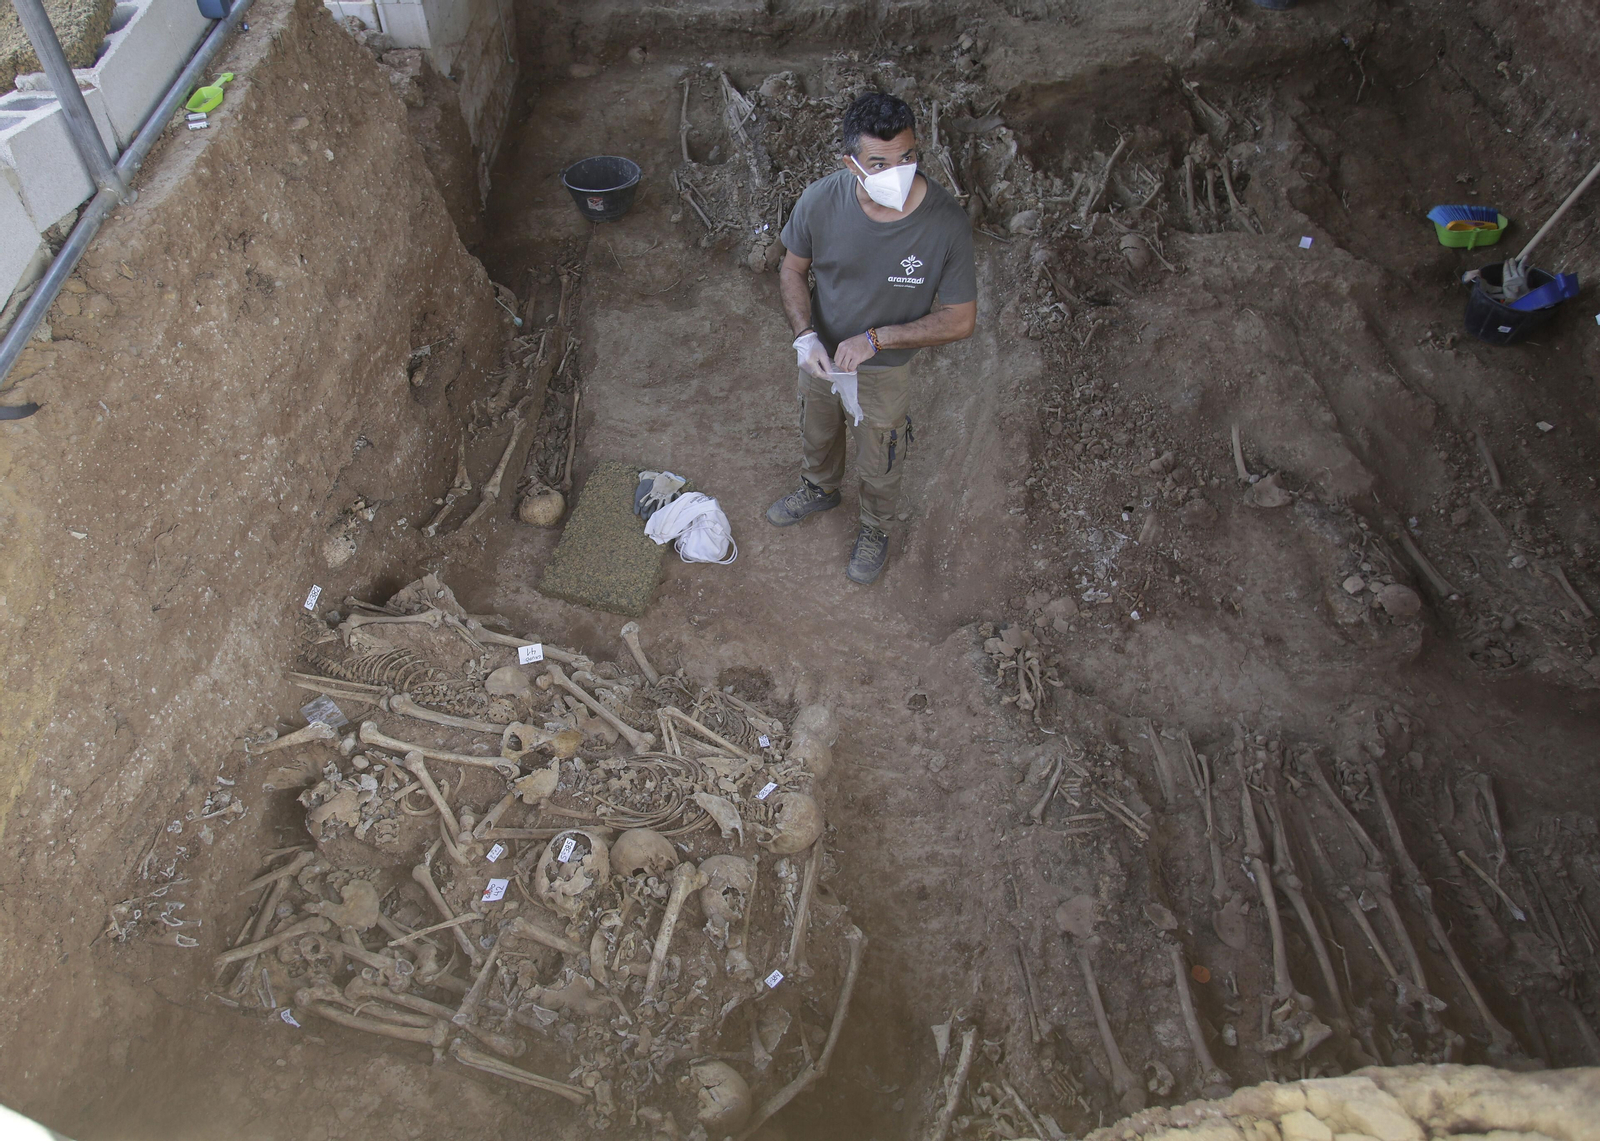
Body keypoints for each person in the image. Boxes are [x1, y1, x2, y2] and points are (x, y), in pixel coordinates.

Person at [767, 92, 977, 585]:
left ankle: (876, 526)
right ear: (851, 163)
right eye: (879, 163)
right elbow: (792, 269)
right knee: (816, 428)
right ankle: (819, 488)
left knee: (881, 451)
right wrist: (805, 337)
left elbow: (961, 319)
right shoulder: (822, 200)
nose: (897, 172)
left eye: (906, 158)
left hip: (884, 368)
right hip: (822, 354)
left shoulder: (944, 224)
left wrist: (878, 339)